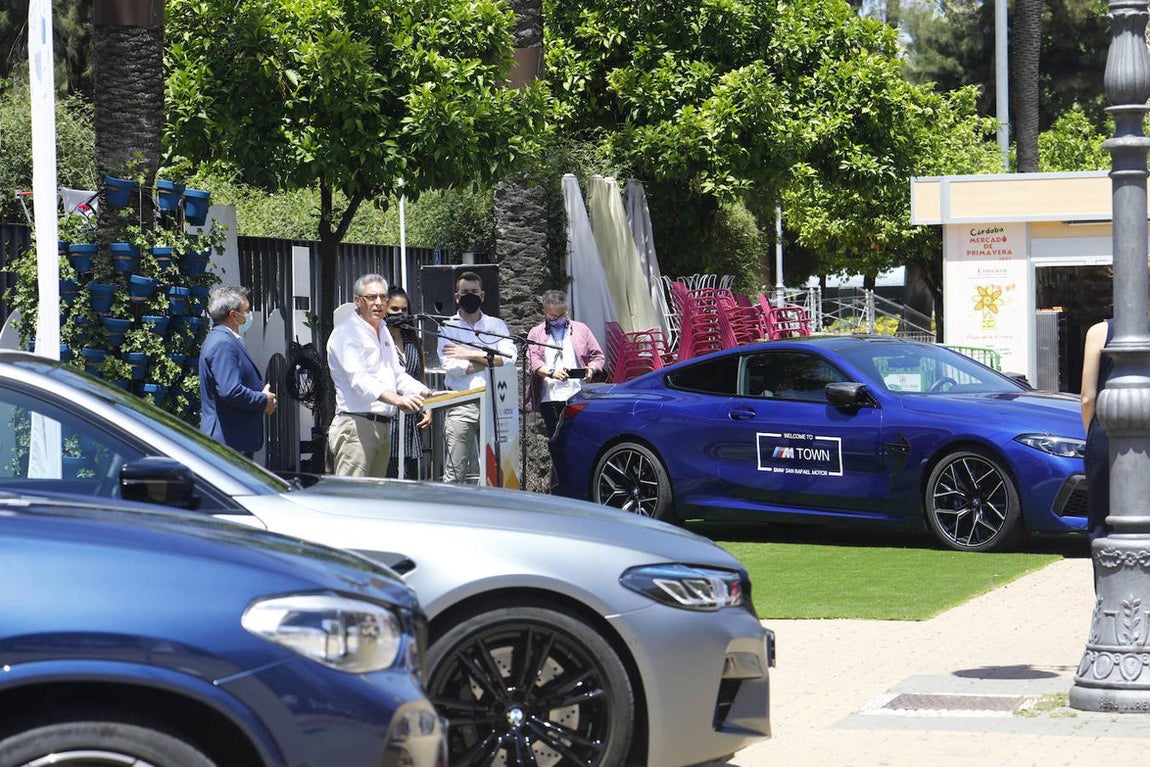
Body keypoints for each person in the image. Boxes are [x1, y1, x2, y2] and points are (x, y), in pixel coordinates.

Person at [327, 274, 431, 477]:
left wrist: (429, 393)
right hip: (356, 428)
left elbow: (397, 375)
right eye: (371, 297)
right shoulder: (346, 333)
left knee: (374, 495)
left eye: (383, 297)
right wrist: (398, 400)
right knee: (352, 495)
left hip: (383, 427)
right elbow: (360, 380)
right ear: (358, 300)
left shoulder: (383, 330)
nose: (378, 303)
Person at [436, 270, 516, 483]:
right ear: (457, 296)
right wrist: (490, 360)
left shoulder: (496, 326)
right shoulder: (447, 327)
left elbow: (509, 359)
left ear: (482, 295)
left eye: (474, 291)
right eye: (465, 292)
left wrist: (468, 353)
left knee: (497, 469)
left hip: (494, 403)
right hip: (462, 403)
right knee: (455, 471)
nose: (469, 295)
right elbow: (451, 367)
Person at [199, 285, 276, 458]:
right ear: (234, 315)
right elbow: (231, 390)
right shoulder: (223, 343)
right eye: (246, 310)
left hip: (232, 441)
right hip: (228, 443)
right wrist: (263, 400)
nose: (249, 315)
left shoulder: (223, 339)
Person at [526, 289, 606, 436]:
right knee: (556, 440)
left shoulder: (581, 329)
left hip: (578, 395)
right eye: (553, 316)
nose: (558, 319)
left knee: (581, 439)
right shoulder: (536, 333)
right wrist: (552, 373)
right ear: (544, 312)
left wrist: (591, 370)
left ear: (566, 309)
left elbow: (598, 356)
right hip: (550, 398)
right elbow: (533, 361)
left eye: (561, 314)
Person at [384, 285, 431, 478]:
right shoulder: (380, 340)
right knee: (389, 475)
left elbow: (420, 376)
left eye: (404, 310)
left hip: (411, 420)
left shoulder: (414, 341)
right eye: (394, 309)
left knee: (410, 476)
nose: (400, 314)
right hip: (389, 418)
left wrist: (428, 407)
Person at [1081, 317, 1114, 539]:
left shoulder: (1099, 332)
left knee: (1102, 517)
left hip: (1106, 429)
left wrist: (1091, 432)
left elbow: (1087, 398)